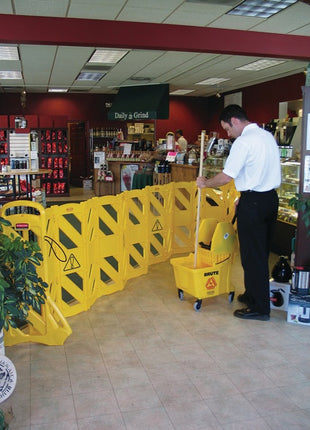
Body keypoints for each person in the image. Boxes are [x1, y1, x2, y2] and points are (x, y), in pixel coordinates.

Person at [196, 104, 281, 321]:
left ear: (234, 120)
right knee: (260, 252)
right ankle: (253, 295)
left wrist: (205, 183)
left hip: (253, 202)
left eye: (227, 128)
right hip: (270, 199)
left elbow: (226, 177)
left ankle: (260, 308)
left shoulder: (243, 142)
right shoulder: (267, 136)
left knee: (253, 256)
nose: (228, 133)